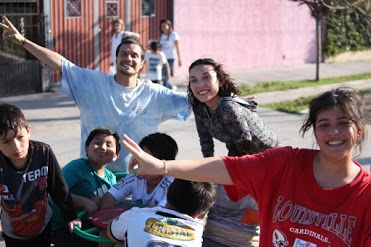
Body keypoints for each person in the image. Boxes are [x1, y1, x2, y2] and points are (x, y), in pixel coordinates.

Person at [123, 87, 371, 247]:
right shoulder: (284, 163)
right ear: (315, 131)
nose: (333, 131)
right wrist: (162, 166)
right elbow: (226, 168)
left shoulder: (365, 195)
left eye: (343, 122)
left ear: (359, 131)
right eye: (324, 124)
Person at [0, 16, 191, 173]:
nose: (128, 58)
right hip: (93, 174)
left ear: (142, 64)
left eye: (134, 55)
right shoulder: (93, 83)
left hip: (136, 177)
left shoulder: (155, 93)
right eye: (123, 54)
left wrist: (212, 85)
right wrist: (23, 42)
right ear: (116, 59)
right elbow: (60, 63)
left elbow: (194, 101)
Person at [0, 103, 81, 247]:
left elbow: (58, 188)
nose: (16, 147)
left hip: (42, 224)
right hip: (12, 230)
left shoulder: (43, 152)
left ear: (28, 130)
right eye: (6, 142)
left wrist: (71, 216)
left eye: (20, 137)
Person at [187, 58, 279, 157]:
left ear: (220, 81)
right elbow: (205, 142)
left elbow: (245, 150)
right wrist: (207, 166)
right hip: (244, 157)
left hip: (270, 156)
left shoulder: (229, 109)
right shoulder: (199, 108)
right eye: (194, 80)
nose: (200, 84)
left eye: (206, 77)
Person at [50, 127, 120, 247]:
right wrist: (83, 202)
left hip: (93, 227)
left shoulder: (112, 179)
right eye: (97, 143)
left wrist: (104, 230)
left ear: (116, 155)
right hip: (64, 226)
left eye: (109, 144)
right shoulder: (77, 167)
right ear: (86, 148)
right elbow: (55, 192)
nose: (103, 147)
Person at [104, 178, 217, 246]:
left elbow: (112, 234)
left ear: (167, 194)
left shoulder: (135, 215)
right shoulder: (197, 231)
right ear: (201, 213)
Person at [203, 139, 261, 247]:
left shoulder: (215, 181)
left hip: (211, 240)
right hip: (244, 244)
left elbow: (198, 213)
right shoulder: (262, 190)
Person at [100, 132, 177, 208]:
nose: (142, 165)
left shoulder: (172, 185)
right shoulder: (136, 176)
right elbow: (109, 197)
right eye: (141, 159)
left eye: (148, 161)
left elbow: (162, 213)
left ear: (165, 163)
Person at [159, 19, 181, 90]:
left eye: (165, 25)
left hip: (170, 57)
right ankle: (169, 86)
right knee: (162, 73)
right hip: (162, 58)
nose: (163, 28)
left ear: (169, 26)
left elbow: (177, 47)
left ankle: (166, 88)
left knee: (167, 74)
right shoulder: (162, 36)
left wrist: (179, 59)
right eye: (162, 26)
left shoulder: (173, 35)